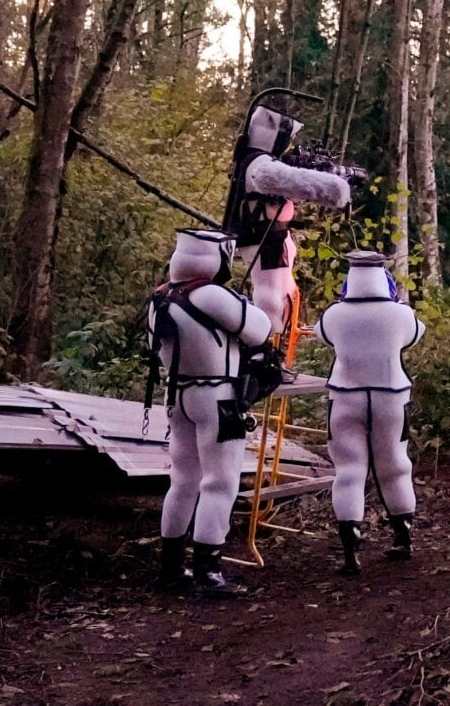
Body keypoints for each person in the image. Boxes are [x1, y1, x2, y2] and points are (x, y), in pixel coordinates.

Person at [149, 228, 274, 598]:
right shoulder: (211, 295)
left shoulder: (160, 297)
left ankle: (171, 568)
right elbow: (261, 329)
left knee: (183, 480)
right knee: (220, 481)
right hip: (218, 397)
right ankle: (208, 570)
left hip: (178, 395)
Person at [313, 250, 425, 575]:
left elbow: (320, 333)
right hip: (391, 397)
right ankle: (403, 538)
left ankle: (351, 551)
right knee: (395, 466)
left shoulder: (334, 315)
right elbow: (417, 334)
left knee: (348, 471)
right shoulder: (400, 315)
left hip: (344, 397)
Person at [226, 101, 353, 343]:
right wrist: (333, 187)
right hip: (265, 238)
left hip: (274, 236)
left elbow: (287, 190)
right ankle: (265, 349)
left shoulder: (254, 160)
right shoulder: (258, 162)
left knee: (285, 296)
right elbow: (282, 179)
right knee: (271, 297)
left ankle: (277, 347)